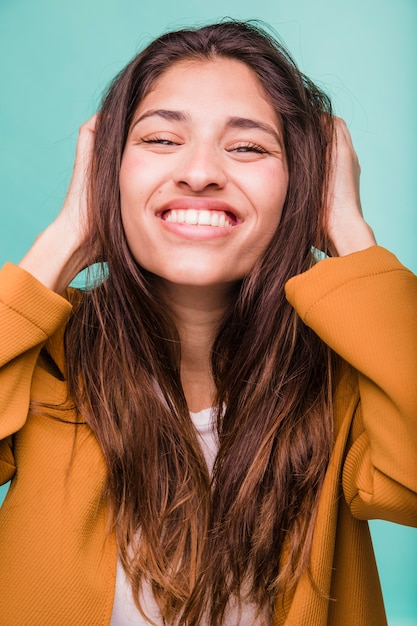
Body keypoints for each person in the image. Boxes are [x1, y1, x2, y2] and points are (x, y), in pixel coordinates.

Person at [0, 20, 416, 626]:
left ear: (306, 182)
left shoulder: (350, 371)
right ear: (105, 173)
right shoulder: (43, 361)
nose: (199, 173)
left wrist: (351, 237)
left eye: (247, 147)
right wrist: (63, 242)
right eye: (161, 140)